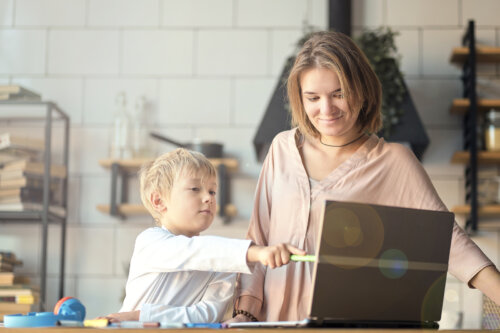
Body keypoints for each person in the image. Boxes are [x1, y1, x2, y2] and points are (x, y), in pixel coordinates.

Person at [229, 31, 500, 323]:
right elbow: (258, 238)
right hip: (273, 323)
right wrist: (244, 313)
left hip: (347, 325)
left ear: (362, 90)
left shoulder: (393, 161)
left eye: (339, 94)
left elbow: (449, 242)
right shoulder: (282, 148)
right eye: (313, 98)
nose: (326, 109)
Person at [104, 148, 305, 323]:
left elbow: (206, 315)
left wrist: (141, 316)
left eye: (212, 191)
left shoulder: (223, 264)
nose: (208, 197)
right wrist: (257, 252)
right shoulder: (149, 242)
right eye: (195, 189)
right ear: (158, 201)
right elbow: (192, 252)